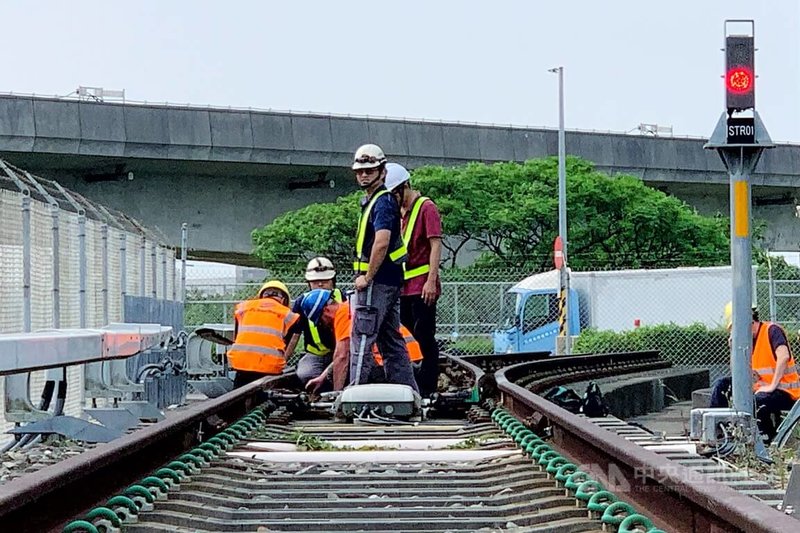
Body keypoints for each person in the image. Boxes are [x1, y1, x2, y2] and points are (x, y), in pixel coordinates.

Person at [350, 144, 418, 391]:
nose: (364, 175)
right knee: (391, 341)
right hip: (389, 281)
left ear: (382, 172)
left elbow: (382, 241)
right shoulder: (374, 201)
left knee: (363, 338)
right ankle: (410, 394)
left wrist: (367, 277)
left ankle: (354, 396)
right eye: (360, 171)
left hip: (376, 283)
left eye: (370, 170)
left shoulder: (382, 202)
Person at [385, 163, 443, 396]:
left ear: (402, 188)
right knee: (406, 337)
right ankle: (410, 384)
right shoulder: (400, 215)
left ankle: (427, 387)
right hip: (404, 287)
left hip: (421, 284)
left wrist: (431, 280)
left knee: (424, 336)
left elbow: (435, 244)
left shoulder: (426, 208)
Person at [709, 302, 800, 442]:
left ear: (749, 321)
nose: (736, 332)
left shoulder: (772, 330)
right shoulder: (747, 341)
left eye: (736, 328)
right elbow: (737, 374)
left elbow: (784, 356)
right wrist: (733, 349)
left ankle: (766, 438)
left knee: (758, 401)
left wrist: (772, 386)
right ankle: (719, 433)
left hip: (785, 392)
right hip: (761, 388)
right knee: (722, 385)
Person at [300, 289, 422, 392]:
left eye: (321, 321)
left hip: (393, 365)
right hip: (408, 363)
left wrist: (336, 396)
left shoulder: (343, 314)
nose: (324, 325)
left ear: (325, 311)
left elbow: (342, 357)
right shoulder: (351, 307)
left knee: (349, 372)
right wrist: (323, 377)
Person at [284, 257, 344, 389]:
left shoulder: (344, 299)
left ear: (333, 281)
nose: (320, 284)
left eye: (325, 281)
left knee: (342, 374)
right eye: (316, 281)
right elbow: (294, 335)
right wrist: (283, 362)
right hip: (315, 354)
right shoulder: (302, 302)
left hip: (340, 351)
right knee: (305, 375)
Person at [227, 280, 299, 388]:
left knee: (239, 396)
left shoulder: (243, 308)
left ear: (261, 295)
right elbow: (288, 344)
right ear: (283, 299)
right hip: (270, 367)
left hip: (240, 363)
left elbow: (236, 337)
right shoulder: (287, 314)